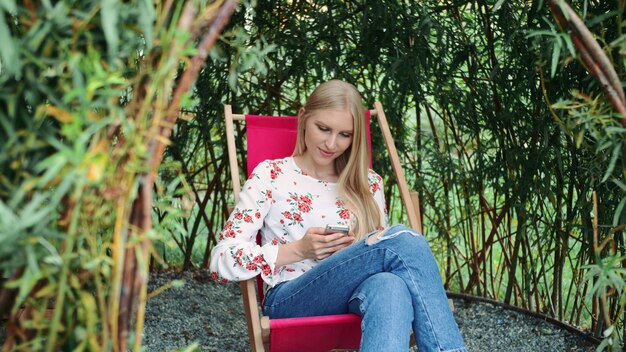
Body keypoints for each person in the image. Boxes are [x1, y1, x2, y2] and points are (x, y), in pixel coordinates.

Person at [210, 80, 466, 352]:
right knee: (405, 242)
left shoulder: (368, 184)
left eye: (345, 134)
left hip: (354, 295)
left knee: (390, 285)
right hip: (291, 300)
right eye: (323, 129)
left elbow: (377, 261)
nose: (332, 143)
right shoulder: (272, 175)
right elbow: (220, 261)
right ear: (303, 118)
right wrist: (299, 250)